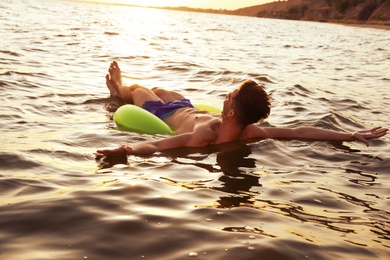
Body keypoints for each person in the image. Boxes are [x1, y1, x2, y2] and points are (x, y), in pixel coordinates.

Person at [96, 61, 387, 158]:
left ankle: (118, 89)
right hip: (185, 107)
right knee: (165, 90)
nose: (225, 96)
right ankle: (128, 91)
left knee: (140, 91)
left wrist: (127, 151)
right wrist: (349, 135)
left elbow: (159, 145)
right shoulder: (251, 131)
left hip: (164, 116)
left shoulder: (205, 135)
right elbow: (299, 132)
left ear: (233, 112)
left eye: (229, 96)